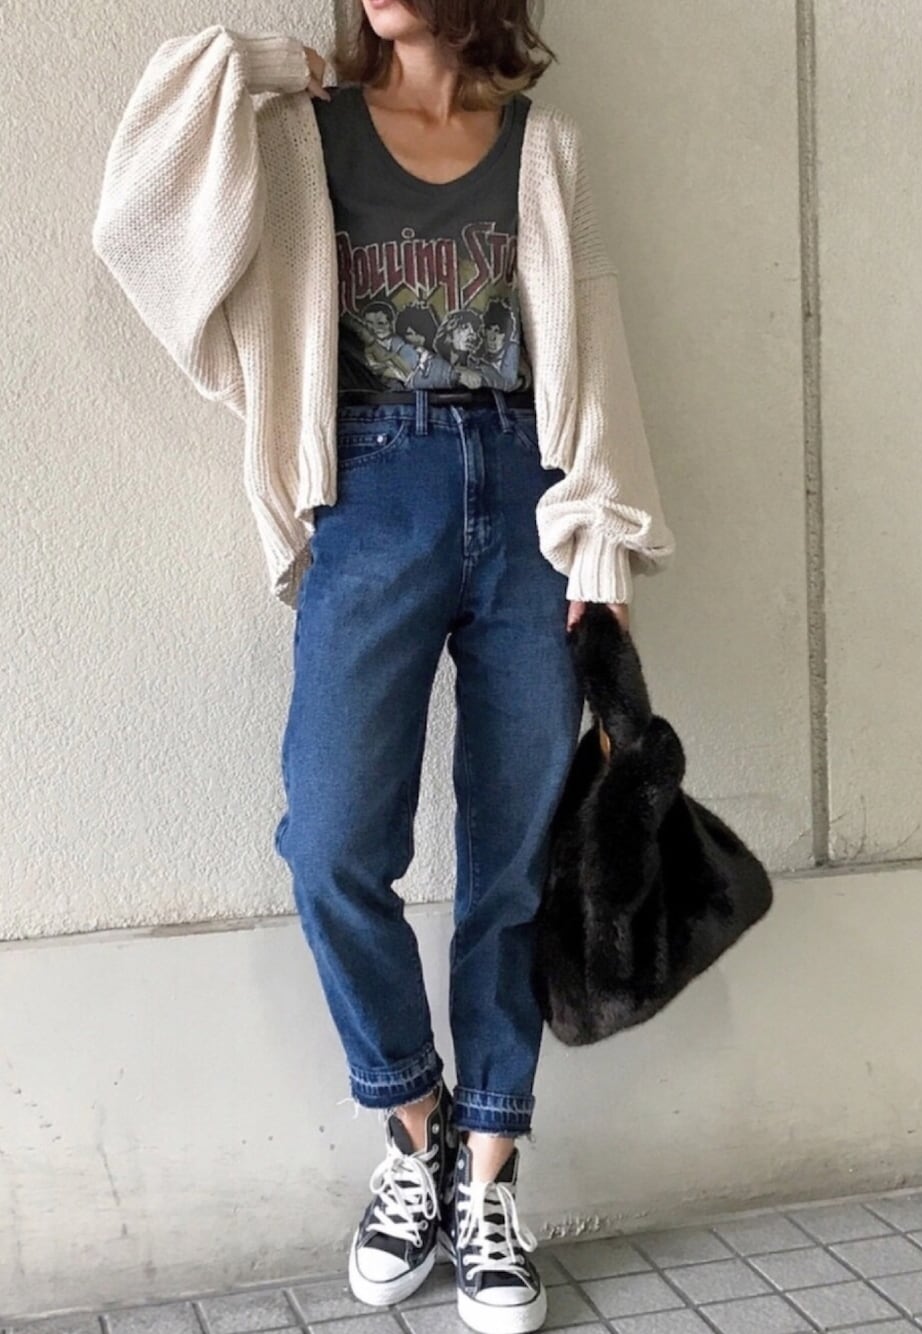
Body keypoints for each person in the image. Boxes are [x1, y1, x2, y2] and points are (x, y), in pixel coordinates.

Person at [92, 2, 676, 1330]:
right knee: (330, 846)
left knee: (514, 864)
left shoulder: (542, 145)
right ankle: (415, 1127)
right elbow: (143, 209)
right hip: (371, 493)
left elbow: (591, 349)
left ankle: (490, 1174)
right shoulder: (301, 135)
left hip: (528, 503)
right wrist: (263, 65)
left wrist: (602, 555)